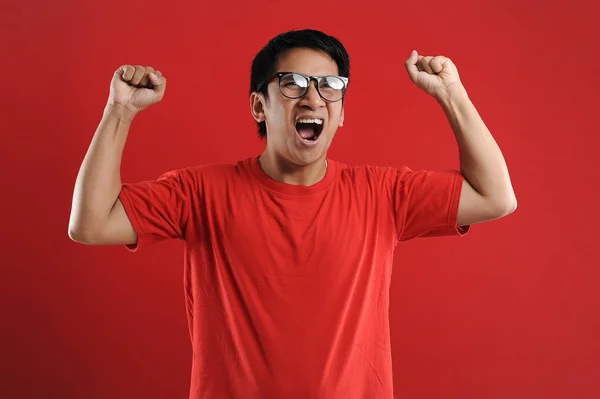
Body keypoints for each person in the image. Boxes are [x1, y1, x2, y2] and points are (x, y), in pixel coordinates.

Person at [68, 29, 516, 399]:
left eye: (330, 86)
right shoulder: (200, 191)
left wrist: (451, 93)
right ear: (259, 106)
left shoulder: (383, 193)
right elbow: (90, 224)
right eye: (293, 84)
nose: (313, 98)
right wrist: (120, 110)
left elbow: (495, 196)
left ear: (340, 114)